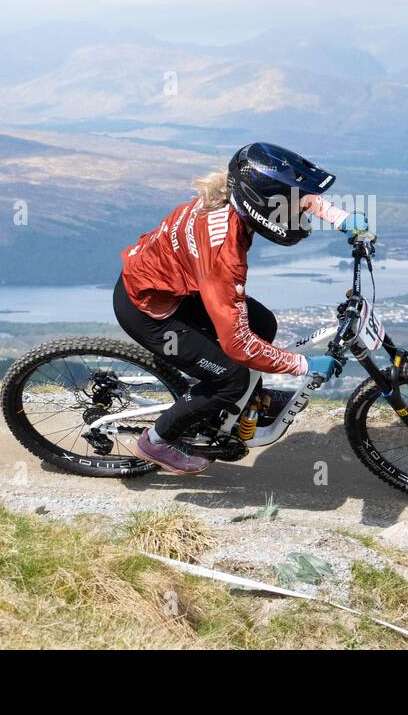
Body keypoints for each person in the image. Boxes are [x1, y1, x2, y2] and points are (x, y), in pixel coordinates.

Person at [113, 142, 368, 474]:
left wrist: (341, 218)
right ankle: (157, 441)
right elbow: (238, 345)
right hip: (149, 309)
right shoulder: (224, 255)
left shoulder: (233, 195)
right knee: (230, 379)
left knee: (263, 324)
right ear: (261, 206)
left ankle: (242, 405)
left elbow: (292, 193)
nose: (297, 214)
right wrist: (305, 365)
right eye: (289, 210)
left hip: (178, 286)